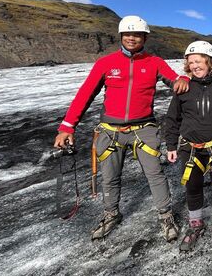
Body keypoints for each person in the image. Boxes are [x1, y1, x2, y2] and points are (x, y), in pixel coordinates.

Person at [53, 15, 189, 241]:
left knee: (155, 174)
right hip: (110, 130)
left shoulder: (154, 62)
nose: (131, 38)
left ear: (144, 37)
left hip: (143, 128)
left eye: (136, 34)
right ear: (121, 36)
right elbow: (85, 95)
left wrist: (183, 77)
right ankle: (111, 214)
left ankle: (166, 216)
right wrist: (67, 127)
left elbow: (175, 80)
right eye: (127, 34)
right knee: (110, 178)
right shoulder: (105, 63)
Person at [164, 41, 212, 251]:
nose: (195, 66)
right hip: (190, 149)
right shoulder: (184, 88)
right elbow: (172, 119)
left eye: (199, 61)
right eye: (191, 63)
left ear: (210, 62)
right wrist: (171, 145)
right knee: (192, 186)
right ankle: (195, 224)